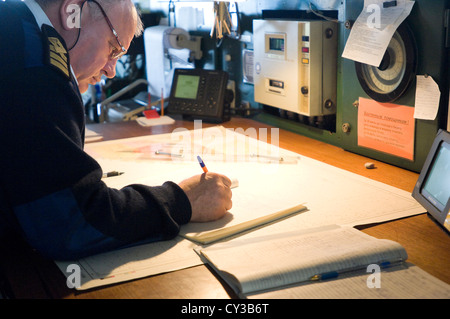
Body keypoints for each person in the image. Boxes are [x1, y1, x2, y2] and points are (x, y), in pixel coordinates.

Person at [0, 0, 232, 260]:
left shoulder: (13, 25)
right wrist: (183, 200)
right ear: (71, 11)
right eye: (113, 48)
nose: (111, 71)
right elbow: (71, 224)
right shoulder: (35, 65)